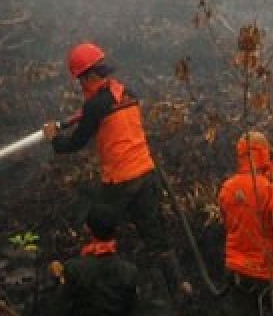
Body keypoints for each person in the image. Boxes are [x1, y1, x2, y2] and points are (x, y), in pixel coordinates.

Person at [44, 43, 187, 302]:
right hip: (146, 173)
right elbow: (102, 106)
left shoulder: (95, 106)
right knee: (156, 238)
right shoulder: (127, 92)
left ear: (88, 75)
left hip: (119, 181)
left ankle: (94, 288)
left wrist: (54, 139)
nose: (80, 86)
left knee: (101, 230)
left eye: (80, 80)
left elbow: (75, 143)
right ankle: (177, 290)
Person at [218, 131, 273, 315]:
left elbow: (227, 225)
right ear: (264, 155)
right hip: (270, 277)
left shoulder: (226, 189)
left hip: (236, 274)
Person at [49, 204, 139, 316]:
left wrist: (60, 280)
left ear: (87, 229)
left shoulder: (73, 268)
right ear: (116, 230)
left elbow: (61, 309)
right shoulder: (130, 272)